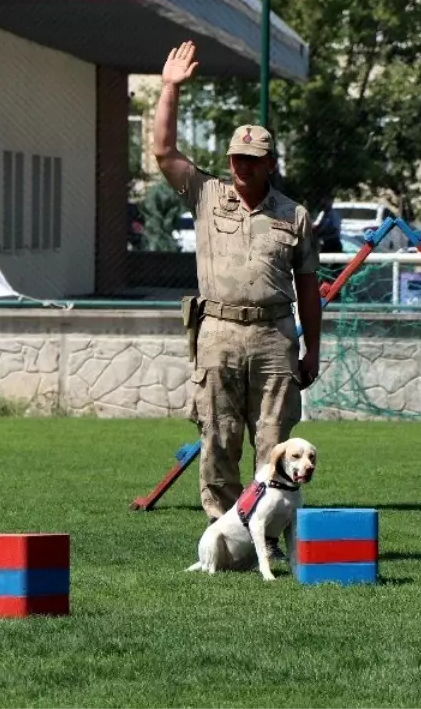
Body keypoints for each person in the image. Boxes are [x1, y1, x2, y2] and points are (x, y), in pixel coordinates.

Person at [152, 40, 322, 561]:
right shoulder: (206, 196)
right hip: (218, 333)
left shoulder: (293, 215)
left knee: (272, 443)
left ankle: (266, 536)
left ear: (270, 163)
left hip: (274, 335)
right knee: (218, 438)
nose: (243, 167)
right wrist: (169, 88)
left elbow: (309, 289)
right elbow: (163, 151)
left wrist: (311, 350)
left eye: (254, 160)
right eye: (236, 159)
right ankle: (225, 539)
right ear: (228, 160)